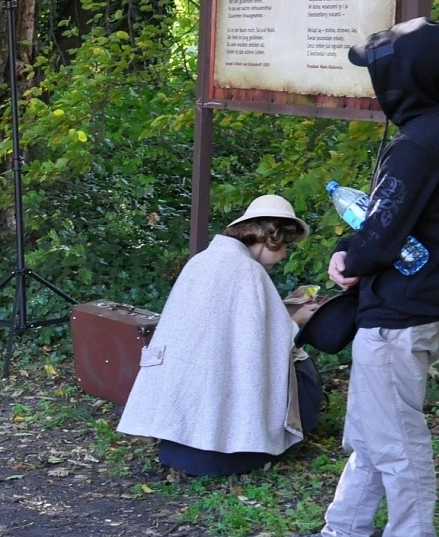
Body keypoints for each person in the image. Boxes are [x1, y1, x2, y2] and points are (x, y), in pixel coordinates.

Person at [285, 17, 439, 537]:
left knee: (395, 440)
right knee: (372, 429)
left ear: (402, 79)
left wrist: (346, 258)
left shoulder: (416, 145)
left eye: (380, 72)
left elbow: (379, 235)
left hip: (399, 316)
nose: (375, 85)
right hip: (413, 307)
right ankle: (343, 534)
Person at [117, 195, 324, 477]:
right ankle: (245, 441)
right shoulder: (249, 272)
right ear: (271, 238)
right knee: (302, 366)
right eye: (285, 246)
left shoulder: (203, 260)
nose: (284, 255)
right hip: (227, 456)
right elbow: (274, 346)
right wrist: (298, 319)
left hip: (175, 438)